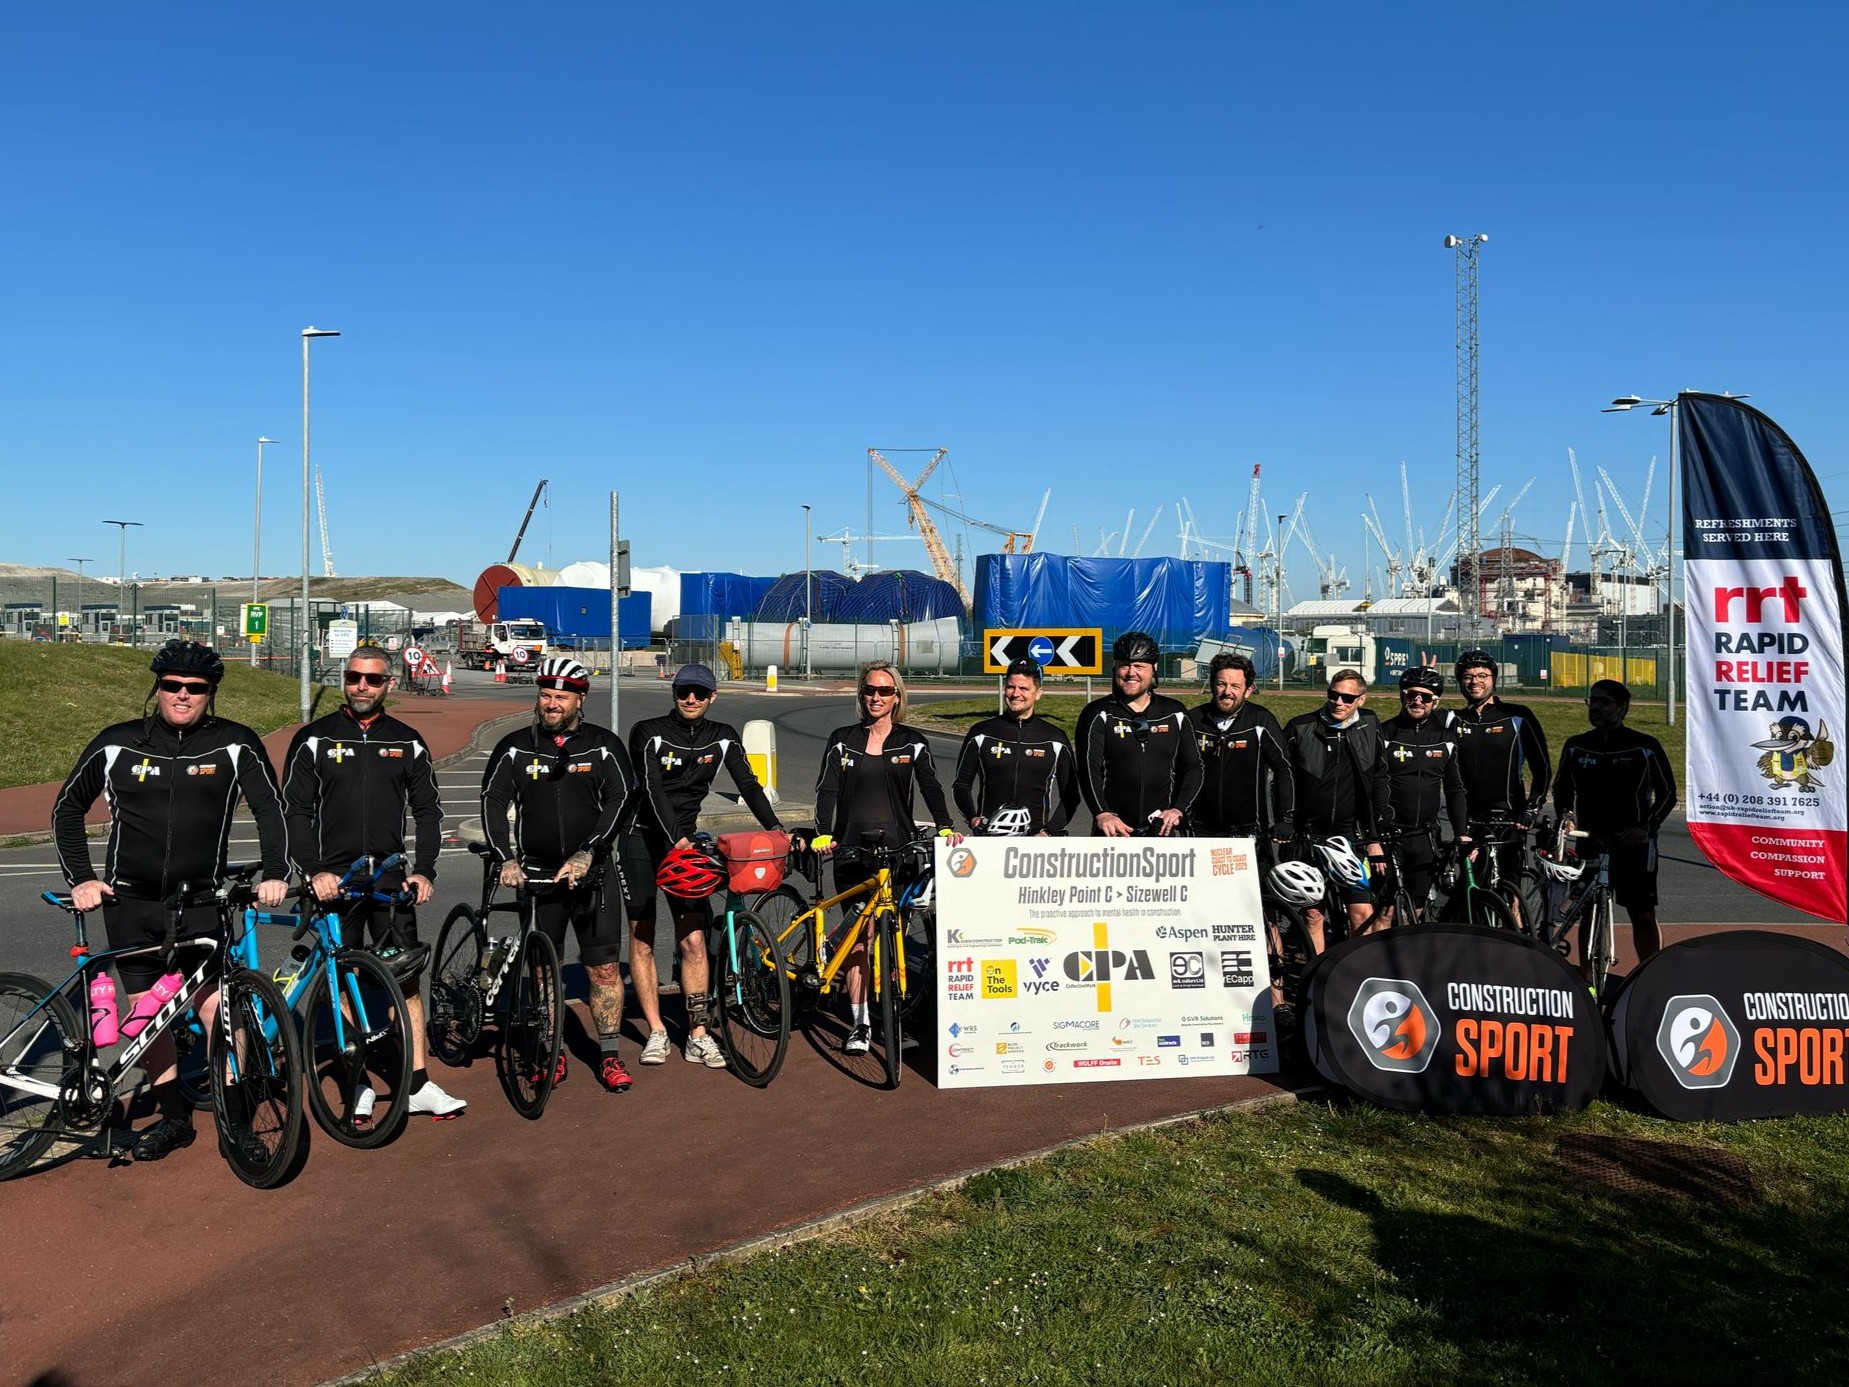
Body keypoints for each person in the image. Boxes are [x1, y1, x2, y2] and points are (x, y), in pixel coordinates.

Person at [51, 639, 290, 1162]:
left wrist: (276, 872)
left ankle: (236, 1122)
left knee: (216, 1009)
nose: (182, 696)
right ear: (158, 688)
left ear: (211, 693)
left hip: (201, 900)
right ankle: (175, 1119)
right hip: (130, 901)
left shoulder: (236, 743)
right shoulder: (118, 743)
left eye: (195, 688)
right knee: (145, 1013)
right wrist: (83, 878)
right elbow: (67, 809)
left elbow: (271, 810)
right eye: (172, 686)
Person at [280, 644, 465, 1120]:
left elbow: (427, 811)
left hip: (388, 882)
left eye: (373, 679)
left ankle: (419, 1081)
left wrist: (424, 868)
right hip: (333, 884)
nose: (362, 686)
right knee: (344, 983)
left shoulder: (408, 741)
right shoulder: (314, 739)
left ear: (389, 684)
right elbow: (294, 812)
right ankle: (357, 1078)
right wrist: (312, 869)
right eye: (354, 677)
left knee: (405, 982)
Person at [479, 656, 636, 1091]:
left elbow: (622, 798)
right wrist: (505, 859)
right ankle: (551, 1050)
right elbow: (492, 800)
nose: (550, 704)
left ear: (579, 699)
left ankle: (608, 1055)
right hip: (538, 877)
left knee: (603, 971)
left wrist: (589, 852)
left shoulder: (603, 745)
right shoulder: (514, 746)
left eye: (560, 697)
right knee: (545, 972)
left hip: (592, 878)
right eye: (545, 696)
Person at [620, 662, 783, 1069]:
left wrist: (776, 829)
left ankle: (697, 1033)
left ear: (712, 697)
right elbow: (651, 788)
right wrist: (678, 837)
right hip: (641, 838)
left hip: (684, 843)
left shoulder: (722, 737)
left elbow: (748, 784)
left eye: (698, 692)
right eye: (682, 691)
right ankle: (657, 1031)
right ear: (674, 693)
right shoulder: (648, 731)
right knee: (642, 935)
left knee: (693, 940)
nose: (690, 699)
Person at [812, 660, 954, 1054]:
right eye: (870, 690)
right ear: (862, 695)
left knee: (891, 939)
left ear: (897, 697)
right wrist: (824, 832)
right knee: (860, 940)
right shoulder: (842, 739)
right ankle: (859, 1023)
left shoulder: (913, 741)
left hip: (899, 852)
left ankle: (893, 1015)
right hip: (853, 850)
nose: (877, 697)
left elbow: (931, 787)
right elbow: (826, 790)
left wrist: (944, 825)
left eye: (885, 691)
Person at [1552, 678, 1677, 967]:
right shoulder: (1576, 746)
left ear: (1622, 708)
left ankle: (1650, 973)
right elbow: (1562, 789)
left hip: (1633, 842)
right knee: (1587, 908)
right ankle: (1586, 978)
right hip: (1590, 838)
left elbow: (1668, 793)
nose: (1595, 706)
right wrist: (1566, 818)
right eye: (1592, 700)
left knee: (1642, 913)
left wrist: (1646, 827)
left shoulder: (1644, 746)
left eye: (1604, 702)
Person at [1280, 668, 1392, 952]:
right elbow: (1283, 781)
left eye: (1347, 697)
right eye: (1334, 695)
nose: (1339, 702)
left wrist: (1375, 837)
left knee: (1362, 914)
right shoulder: (1300, 727)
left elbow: (1379, 776)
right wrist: (1286, 824)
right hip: (1309, 836)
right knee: (1313, 914)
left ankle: (1357, 977)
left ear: (1361, 700)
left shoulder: (1370, 724)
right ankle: (1318, 981)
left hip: (1349, 837)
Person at [1450, 649, 1551, 922]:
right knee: (1469, 890)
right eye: (1468, 677)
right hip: (1471, 820)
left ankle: (1519, 943)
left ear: (1494, 679)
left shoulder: (1517, 716)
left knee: (1512, 888)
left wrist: (1531, 808)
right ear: (1460, 682)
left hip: (1510, 817)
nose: (1475, 682)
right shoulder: (1453, 720)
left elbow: (1541, 768)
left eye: (1482, 676)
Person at [1075, 631, 1203, 837]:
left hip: (1161, 829)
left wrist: (1179, 808)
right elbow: (1088, 769)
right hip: (1112, 830)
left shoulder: (1174, 712)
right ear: (1114, 667)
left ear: (1154, 669)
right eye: (1124, 665)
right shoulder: (1098, 713)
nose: (1131, 672)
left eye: (1139, 666)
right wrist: (1102, 813)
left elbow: (1194, 767)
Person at [1376, 666, 1471, 928]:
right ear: (1402, 696)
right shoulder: (1384, 734)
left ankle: (1403, 966)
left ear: (1436, 702)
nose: (1418, 701)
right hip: (1390, 836)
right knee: (1385, 910)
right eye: (1412, 695)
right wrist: (1374, 833)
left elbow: (1454, 789)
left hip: (1426, 836)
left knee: (1416, 908)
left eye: (1426, 697)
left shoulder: (1445, 739)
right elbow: (1372, 786)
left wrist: (1462, 831)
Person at [951, 657, 1079, 835]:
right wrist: (973, 818)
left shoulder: (1055, 738)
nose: (1015, 693)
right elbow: (961, 785)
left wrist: (1048, 831)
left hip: (1035, 841)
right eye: (1011, 687)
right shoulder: (981, 733)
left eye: (1024, 688)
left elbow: (1071, 795)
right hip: (989, 837)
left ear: (1038, 693)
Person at [1185, 651, 1293, 840]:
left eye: (1235, 686)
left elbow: (1284, 768)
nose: (1227, 692)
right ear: (1212, 685)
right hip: (1200, 828)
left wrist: (1285, 818)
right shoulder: (1193, 719)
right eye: (1221, 684)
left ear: (1248, 690)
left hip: (1248, 829)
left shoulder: (1261, 720)